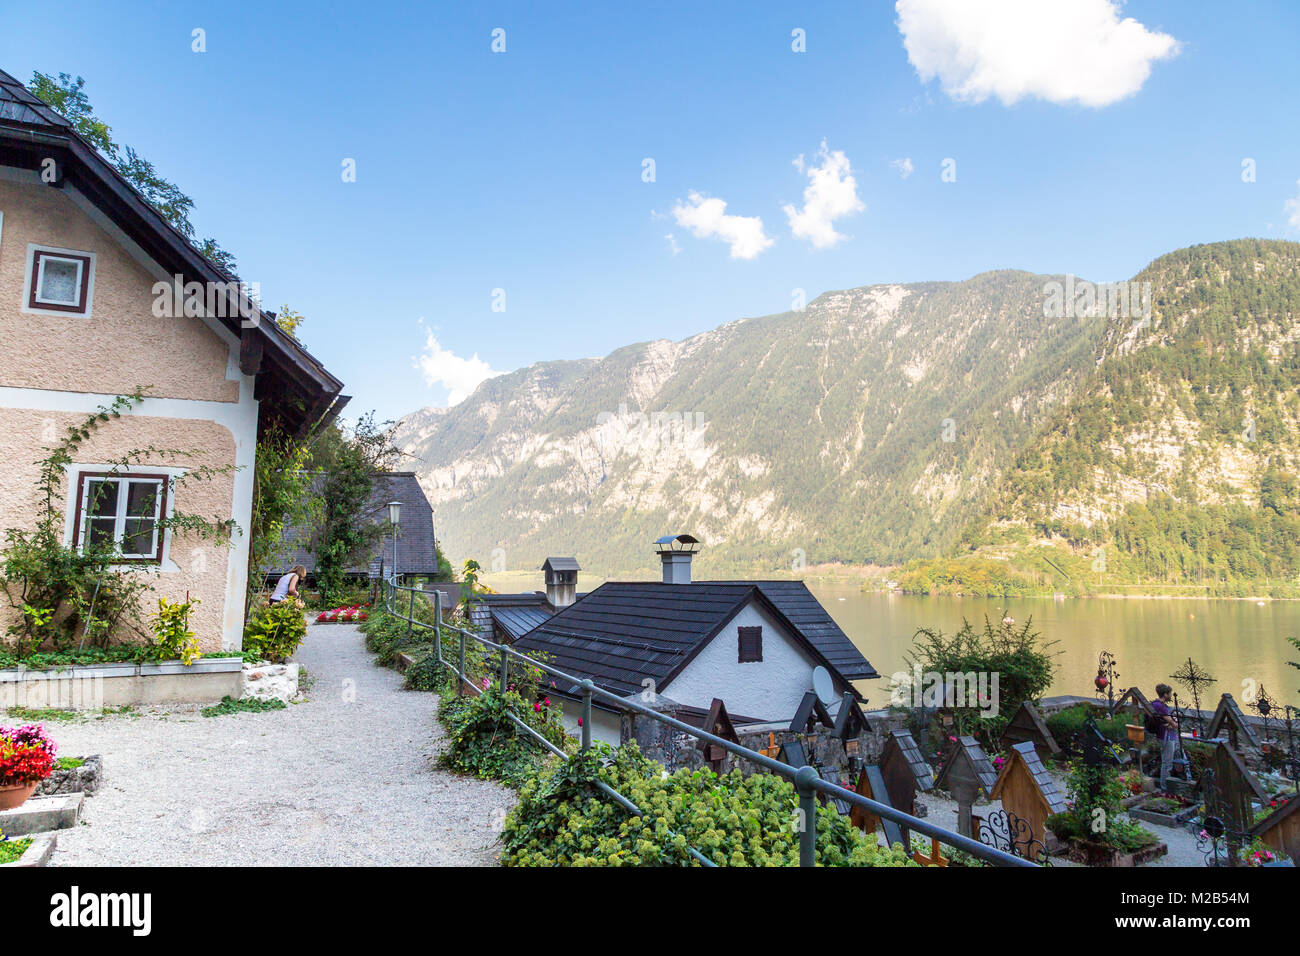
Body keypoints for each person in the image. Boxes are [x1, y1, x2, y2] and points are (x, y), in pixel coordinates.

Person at [1150, 683, 1180, 790]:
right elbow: (1172, 723)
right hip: (1166, 736)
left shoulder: (1155, 704)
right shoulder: (1160, 706)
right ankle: (1165, 787)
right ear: (1165, 694)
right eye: (1170, 694)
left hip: (1166, 735)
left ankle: (1169, 784)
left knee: (1171, 760)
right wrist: (1174, 723)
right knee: (1167, 763)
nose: (1171, 696)